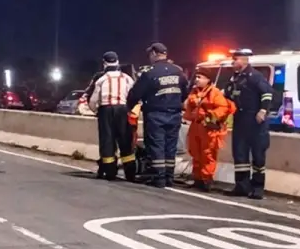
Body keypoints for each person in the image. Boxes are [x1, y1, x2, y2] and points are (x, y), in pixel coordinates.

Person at [126, 42, 190, 188]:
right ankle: (169, 177)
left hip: (155, 114)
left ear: (154, 54)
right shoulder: (178, 71)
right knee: (171, 146)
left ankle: (159, 178)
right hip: (174, 114)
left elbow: (136, 93)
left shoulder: (150, 73)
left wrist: (129, 107)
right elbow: (185, 92)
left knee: (157, 145)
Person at [223, 48, 274, 199]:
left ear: (245, 60)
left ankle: (257, 187)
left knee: (258, 155)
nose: (234, 62)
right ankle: (242, 186)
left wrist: (263, 111)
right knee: (240, 155)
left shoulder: (255, 76)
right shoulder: (235, 78)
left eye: (236, 59)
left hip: (256, 121)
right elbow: (228, 95)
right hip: (240, 120)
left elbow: (267, 94)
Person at [183, 68, 236, 192]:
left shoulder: (215, 93)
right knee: (195, 152)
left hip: (208, 128)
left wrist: (209, 117)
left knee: (208, 154)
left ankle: (207, 180)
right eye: (196, 77)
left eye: (200, 77)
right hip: (196, 126)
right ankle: (198, 179)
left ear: (208, 80)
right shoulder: (194, 91)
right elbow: (189, 107)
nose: (197, 79)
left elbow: (223, 108)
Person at [88, 51, 136, 181]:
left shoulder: (101, 79)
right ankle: (130, 173)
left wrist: (97, 112)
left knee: (107, 141)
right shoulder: (127, 78)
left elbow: (92, 101)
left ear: (104, 63)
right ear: (117, 61)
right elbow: (134, 95)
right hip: (123, 109)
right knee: (126, 141)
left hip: (106, 110)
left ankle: (110, 172)